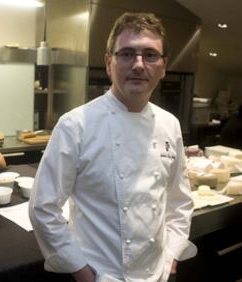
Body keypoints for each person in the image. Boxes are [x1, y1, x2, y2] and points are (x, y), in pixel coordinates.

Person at [29, 12, 196, 282]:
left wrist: (172, 258)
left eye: (150, 55)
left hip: (159, 274)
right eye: (127, 54)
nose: (139, 65)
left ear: (164, 66)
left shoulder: (170, 125)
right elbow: (43, 207)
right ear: (109, 63)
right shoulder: (75, 126)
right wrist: (81, 271)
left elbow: (179, 202)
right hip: (101, 276)